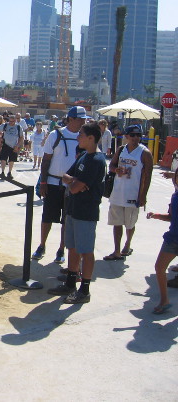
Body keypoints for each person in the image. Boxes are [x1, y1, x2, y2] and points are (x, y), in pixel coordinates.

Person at [47, 122, 106, 304]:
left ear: (91, 138)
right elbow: (66, 177)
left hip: (86, 212)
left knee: (86, 251)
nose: (78, 137)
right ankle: (71, 282)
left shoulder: (96, 160)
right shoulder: (84, 156)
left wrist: (74, 183)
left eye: (81, 134)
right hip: (73, 209)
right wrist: (75, 182)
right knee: (72, 247)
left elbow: (73, 187)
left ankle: (84, 290)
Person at [33, 106, 87, 263]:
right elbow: (46, 160)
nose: (83, 122)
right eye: (80, 119)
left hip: (72, 186)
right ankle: (42, 245)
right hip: (53, 182)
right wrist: (43, 182)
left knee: (67, 219)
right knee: (47, 217)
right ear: (71, 119)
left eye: (84, 119)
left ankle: (61, 249)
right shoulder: (55, 135)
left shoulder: (84, 138)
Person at [103, 124, 153, 261]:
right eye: (133, 135)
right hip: (118, 192)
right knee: (117, 222)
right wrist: (116, 170)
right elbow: (111, 165)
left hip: (133, 193)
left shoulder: (145, 153)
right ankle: (117, 250)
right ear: (126, 136)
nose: (136, 138)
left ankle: (128, 244)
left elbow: (148, 176)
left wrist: (143, 195)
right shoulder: (121, 150)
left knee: (130, 223)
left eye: (138, 135)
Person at [146, 169, 178, 313]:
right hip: (172, 238)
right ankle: (164, 300)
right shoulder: (175, 196)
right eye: (176, 176)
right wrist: (156, 215)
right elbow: (171, 217)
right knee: (159, 267)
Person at [0, 114, 23, 179]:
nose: (11, 123)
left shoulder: (18, 127)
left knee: (12, 160)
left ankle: (9, 172)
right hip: (5, 144)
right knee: (3, 159)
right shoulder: (5, 125)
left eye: (12, 121)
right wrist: (0, 137)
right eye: (10, 121)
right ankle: (2, 172)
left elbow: (21, 137)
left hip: (14, 145)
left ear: (15, 121)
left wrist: (18, 145)